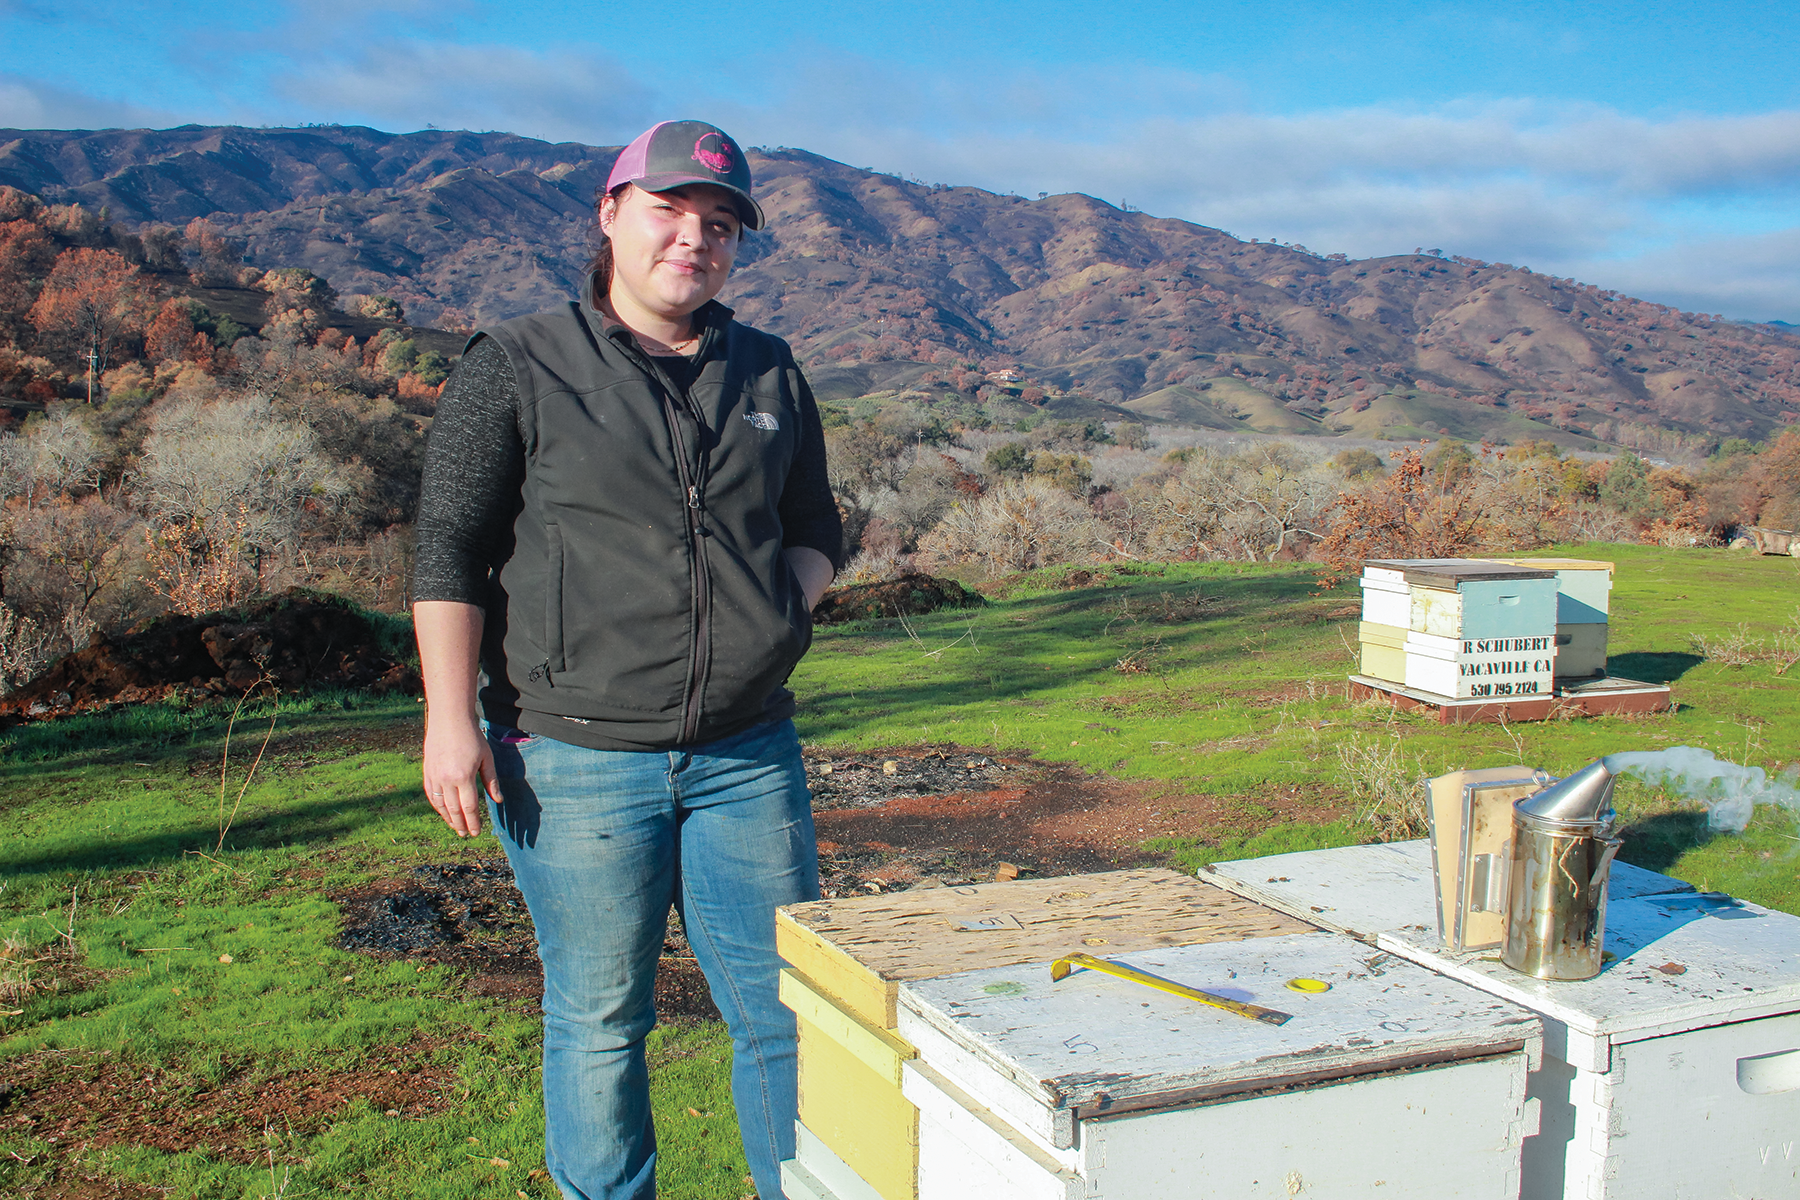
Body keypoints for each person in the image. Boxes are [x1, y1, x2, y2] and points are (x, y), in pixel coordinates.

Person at [412, 118, 841, 1200]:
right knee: (601, 1019)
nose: (695, 238)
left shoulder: (768, 370)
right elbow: (451, 546)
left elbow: (814, 527)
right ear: (610, 214)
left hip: (749, 756)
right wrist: (449, 721)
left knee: (787, 1013)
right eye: (670, 210)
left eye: (720, 224)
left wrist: (780, 616)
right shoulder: (520, 361)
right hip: (574, 755)